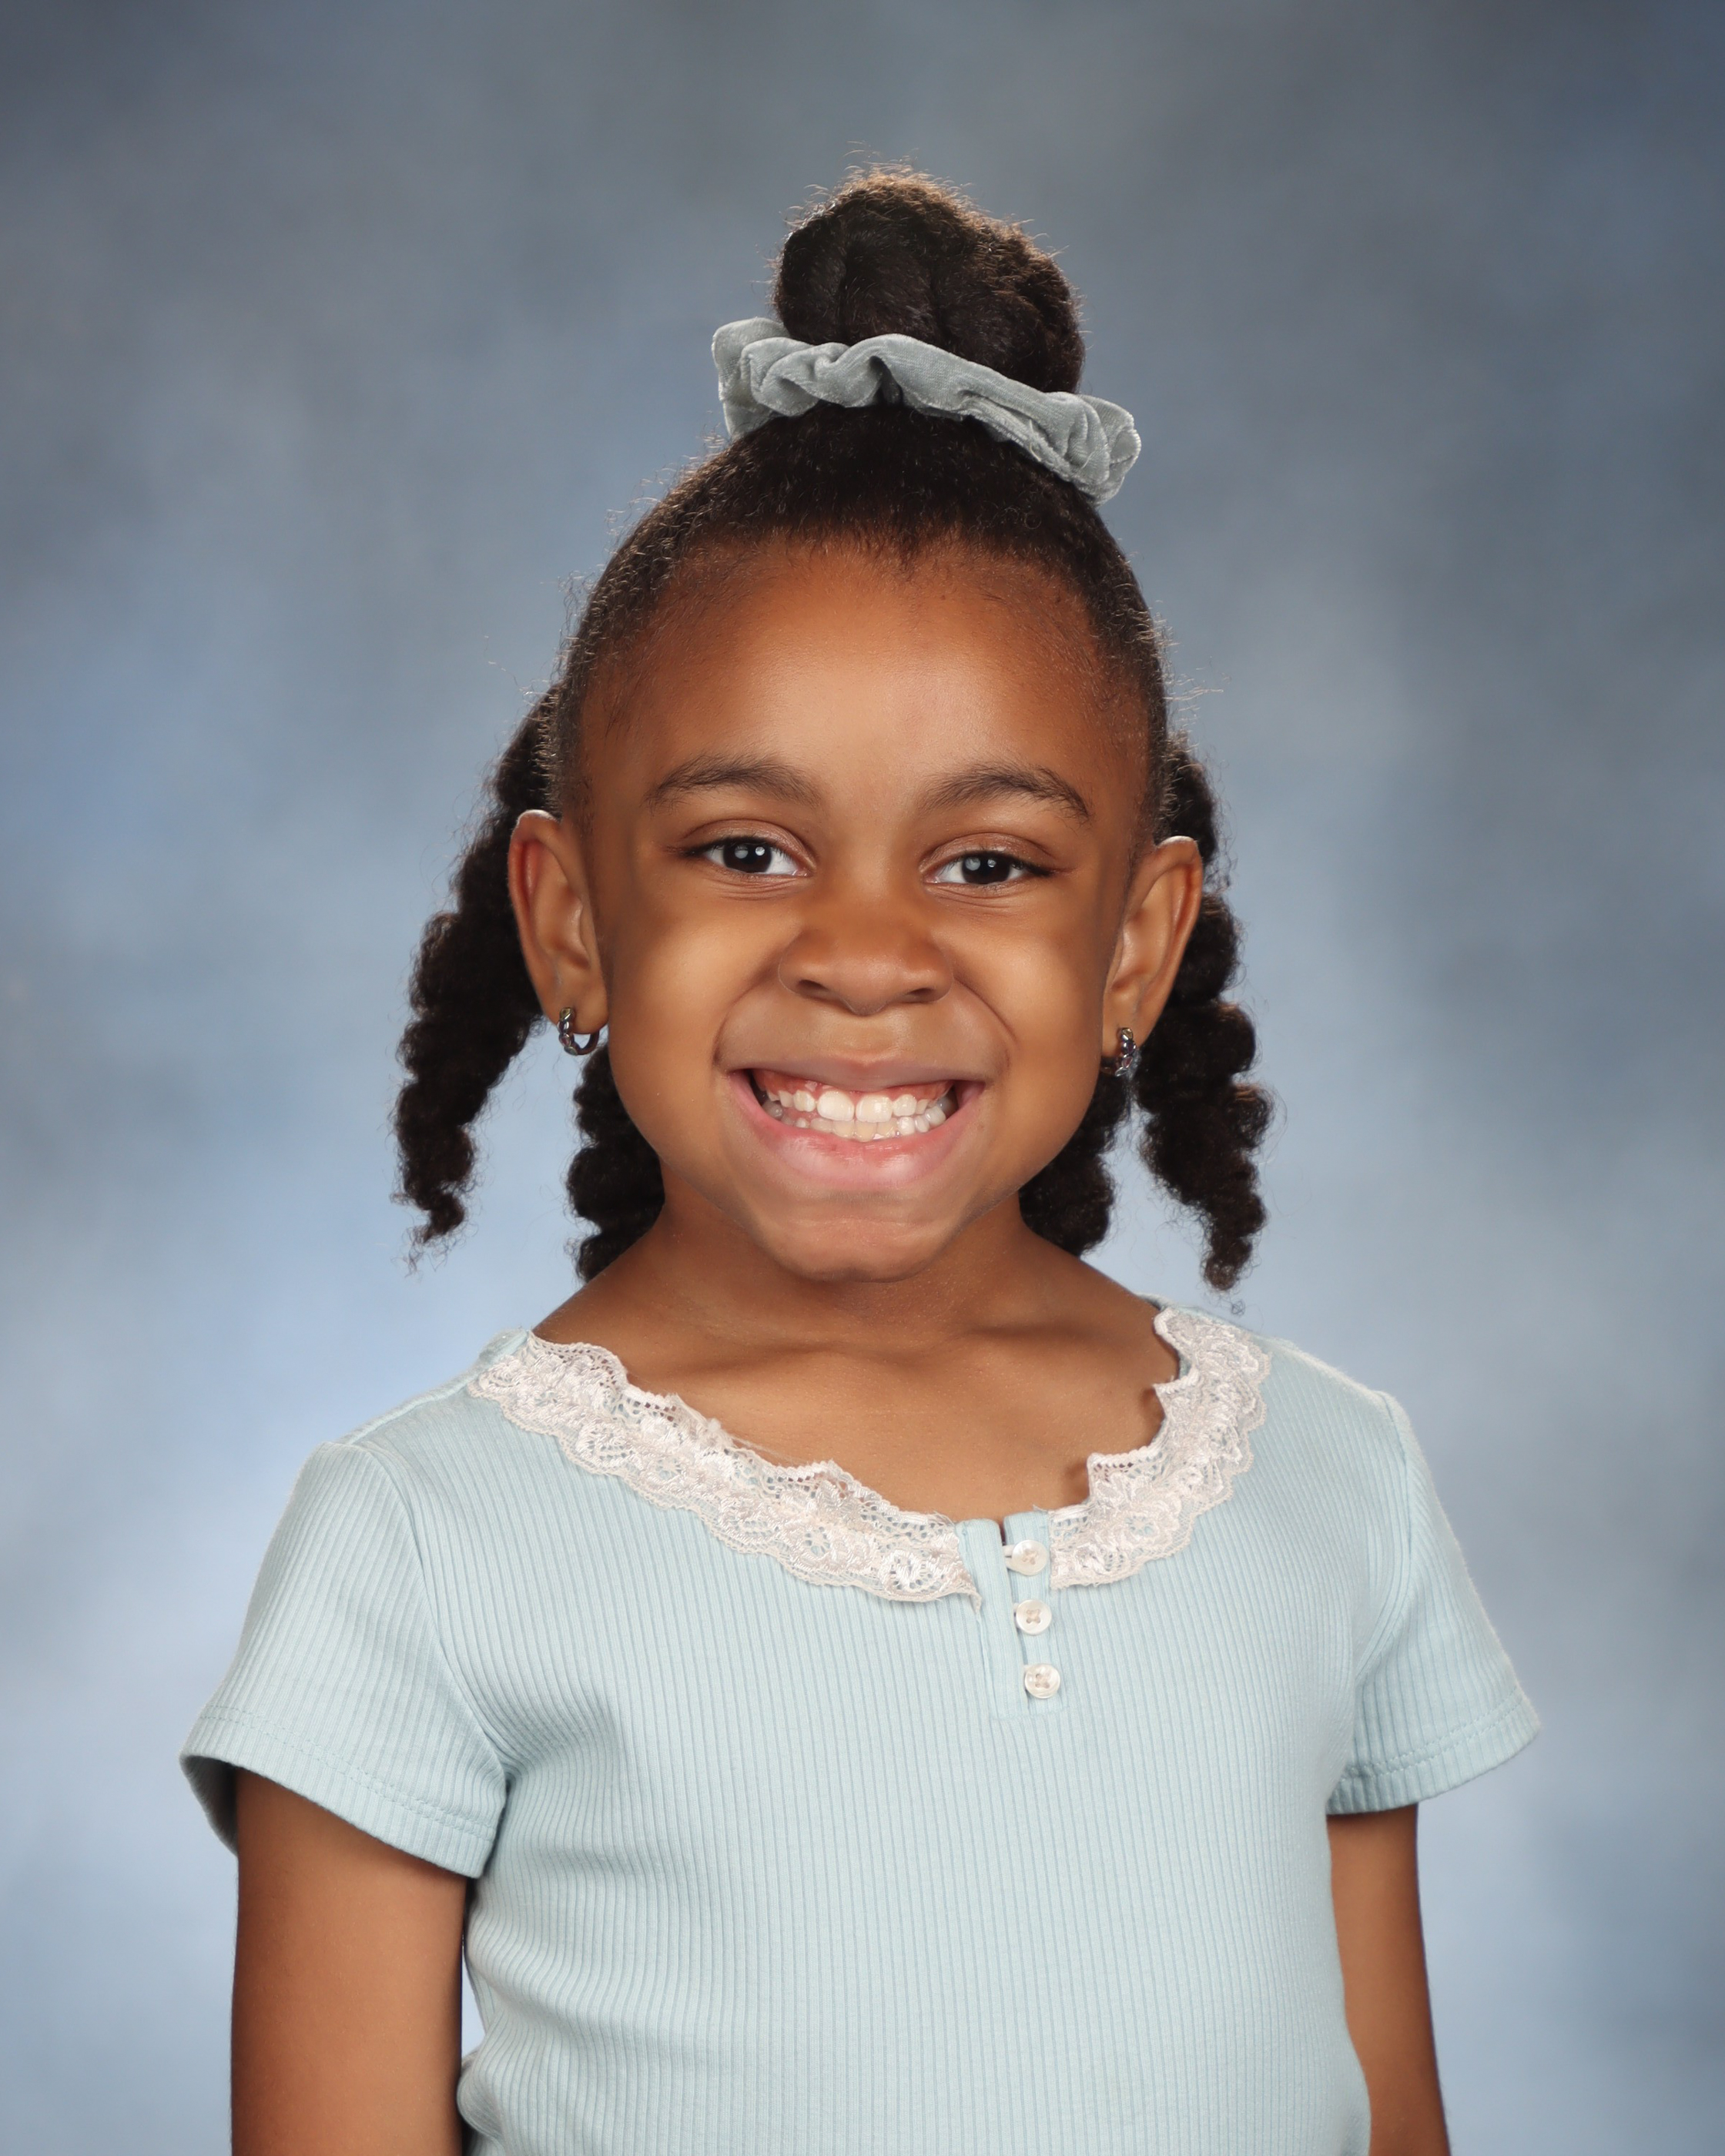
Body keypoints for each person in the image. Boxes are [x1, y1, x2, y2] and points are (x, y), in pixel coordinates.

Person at [183, 170, 1537, 2156]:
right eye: (747, 849)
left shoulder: (1331, 1481)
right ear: (570, 920)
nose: (867, 954)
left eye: (988, 862)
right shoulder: (419, 1539)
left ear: (1137, 946)